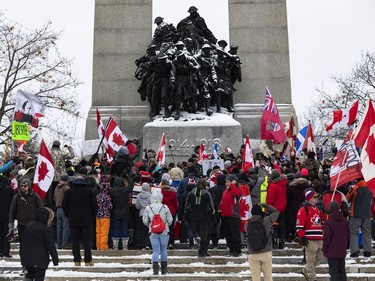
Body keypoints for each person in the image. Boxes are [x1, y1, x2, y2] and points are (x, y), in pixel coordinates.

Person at [62, 176, 97, 266]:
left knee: (75, 242)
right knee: (87, 241)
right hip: (86, 220)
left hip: (73, 220)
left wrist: (69, 215)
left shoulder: (68, 192)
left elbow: (64, 206)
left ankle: (77, 260)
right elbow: (94, 206)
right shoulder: (89, 192)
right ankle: (88, 260)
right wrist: (92, 216)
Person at [20, 207, 58, 281]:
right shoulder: (45, 229)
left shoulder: (28, 226)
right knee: (39, 277)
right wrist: (55, 260)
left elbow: (23, 242)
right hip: (40, 260)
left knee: (29, 275)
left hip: (28, 259)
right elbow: (50, 245)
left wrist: (22, 258)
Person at [296, 189, 324, 281]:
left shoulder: (318, 209)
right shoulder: (303, 209)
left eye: (317, 197)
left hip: (319, 237)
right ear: (308, 199)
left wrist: (327, 214)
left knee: (320, 256)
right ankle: (312, 277)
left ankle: (305, 270)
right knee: (310, 259)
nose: (317, 199)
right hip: (310, 238)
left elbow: (322, 220)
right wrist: (302, 236)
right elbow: (299, 225)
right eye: (314, 197)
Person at [247, 203, 279, 281]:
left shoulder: (247, 224)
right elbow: (276, 212)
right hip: (266, 252)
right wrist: (266, 206)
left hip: (253, 253)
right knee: (268, 276)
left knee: (255, 277)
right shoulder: (267, 221)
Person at [9, 178, 43, 252]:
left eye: (25, 186)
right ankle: (23, 257)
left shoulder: (35, 196)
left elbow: (41, 208)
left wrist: (41, 221)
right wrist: (11, 224)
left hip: (33, 223)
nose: (23, 188)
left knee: (33, 241)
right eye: (22, 186)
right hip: (21, 223)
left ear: (29, 187)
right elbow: (12, 211)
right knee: (23, 242)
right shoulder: (17, 197)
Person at [143, 191, 173, 275]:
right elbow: (170, 220)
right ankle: (164, 270)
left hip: (153, 232)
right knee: (163, 250)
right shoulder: (165, 207)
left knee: (155, 251)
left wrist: (150, 225)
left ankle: (155, 270)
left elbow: (145, 220)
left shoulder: (148, 207)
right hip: (164, 231)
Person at [184, 178, 214, 257]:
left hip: (193, 216)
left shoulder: (191, 193)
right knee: (205, 234)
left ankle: (197, 236)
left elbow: (187, 206)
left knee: (196, 230)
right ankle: (202, 251)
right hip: (204, 216)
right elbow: (211, 207)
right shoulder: (207, 193)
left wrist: (188, 215)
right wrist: (212, 214)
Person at [323, 201, 350, 281]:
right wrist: (346, 245)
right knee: (342, 271)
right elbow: (348, 235)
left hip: (332, 251)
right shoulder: (344, 221)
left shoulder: (328, 222)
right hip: (342, 251)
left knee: (334, 272)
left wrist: (324, 249)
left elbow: (327, 237)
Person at [346, 177, 372, 257]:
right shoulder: (370, 187)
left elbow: (347, 199)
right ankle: (367, 251)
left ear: (357, 179)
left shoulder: (354, 188)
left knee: (354, 233)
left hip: (356, 214)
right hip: (367, 214)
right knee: (367, 233)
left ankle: (354, 251)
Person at [218, 174, 243, 257]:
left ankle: (237, 250)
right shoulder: (225, 191)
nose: (226, 184)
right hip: (225, 215)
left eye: (227, 182)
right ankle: (231, 249)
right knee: (228, 234)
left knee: (234, 234)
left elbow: (238, 194)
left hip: (233, 215)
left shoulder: (237, 189)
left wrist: (233, 185)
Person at [48, 140, 75, 209]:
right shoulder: (61, 153)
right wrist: (69, 147)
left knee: (52, 195)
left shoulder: (48, 153)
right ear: (59, 146)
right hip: (61, 178)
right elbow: (72, 155)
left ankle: (53, 208)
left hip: (50, 177)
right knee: (62, 194)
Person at [266, 169, 287, 249]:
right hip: (282, 208)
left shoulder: (273, 185)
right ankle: (282, 242)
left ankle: (274, 242)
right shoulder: (283, 184)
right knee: (282, 225)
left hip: (274, 209)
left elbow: (270, 198)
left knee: (274, 226)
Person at [53, 173, 71, 250]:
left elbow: (54, 197)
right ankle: (64, 244)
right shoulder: (66, 188)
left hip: (58, 208)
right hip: (64, 209)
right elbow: (69, 198)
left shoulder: (56, 188)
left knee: (59, 227)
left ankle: (59, 244)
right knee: (66, 227)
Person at [0, 176, 15, 258]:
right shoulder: (9, 189)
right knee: (6, 233)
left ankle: (0, 250)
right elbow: (14, 201)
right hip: (7, 214)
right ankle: (6, 251)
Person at [96, 178, 113, 251]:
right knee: (104, 232)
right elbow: (110, 206)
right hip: (105, 215)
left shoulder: (97, 196)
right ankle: (103, 247)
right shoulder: (107, 197)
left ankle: (98, 246)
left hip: (98, 215)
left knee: (98, 231)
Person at [135, 182, 152, 249]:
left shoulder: (139, 196)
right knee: (148, 230)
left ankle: (142, 244)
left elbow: (137, 206)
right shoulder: (150, 195)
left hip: (141, 213)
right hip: (149, 214)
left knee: (142, 230)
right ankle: (148, 244)